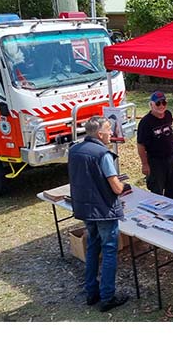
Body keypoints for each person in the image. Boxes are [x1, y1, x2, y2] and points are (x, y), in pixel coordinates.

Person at [68, 116, 130, 312]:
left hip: (86, 208)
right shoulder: (103, 154)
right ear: (100, 133)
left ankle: (91, 292)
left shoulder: (74, 150)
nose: (111, 133)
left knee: (93, 247)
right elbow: (116, 187)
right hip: (103, 210)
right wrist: (123, 186)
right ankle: (108, 297)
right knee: (109, 250)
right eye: (108, 129)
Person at [137, 91, 173, 200]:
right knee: (157, 192)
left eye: (164, 103)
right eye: (158, 103)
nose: (161, 106)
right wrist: (145, 164)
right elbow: (140, 145)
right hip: (155, 162)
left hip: (171, 158)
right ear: (151, 105)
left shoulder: (168, 115)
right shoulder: (145, 122)